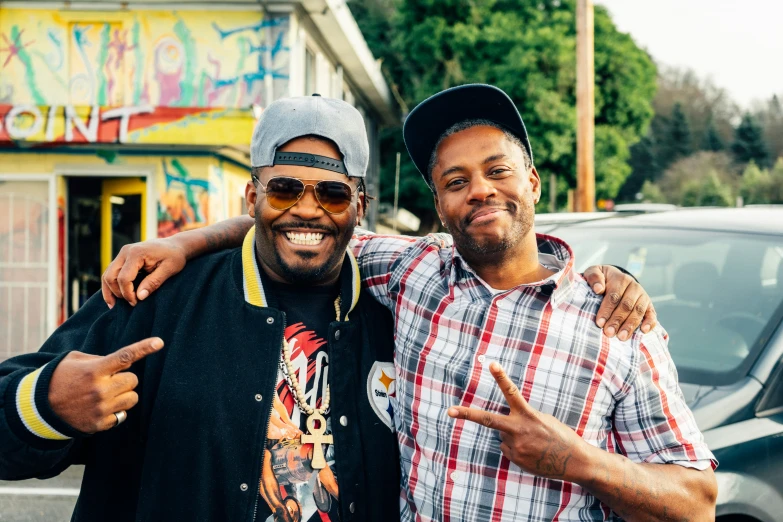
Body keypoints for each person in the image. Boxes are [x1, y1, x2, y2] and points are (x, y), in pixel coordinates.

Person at [102, 85, 715, 521]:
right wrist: (182, 242)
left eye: (497, 170)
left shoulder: (616, 325)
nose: (479, 190)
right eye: (455, 182)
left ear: (531, 181)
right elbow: (303, 223)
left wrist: (584, 463)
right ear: (440, 207)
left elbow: (697, 503)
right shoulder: (415, 273)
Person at [0, 95, 402, 522]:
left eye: (333, 194)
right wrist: (44, 404)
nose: (306, 209)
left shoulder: (398, 314)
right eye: (284, 190)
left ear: (360, 206)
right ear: (252, 198)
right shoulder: (158, 296)